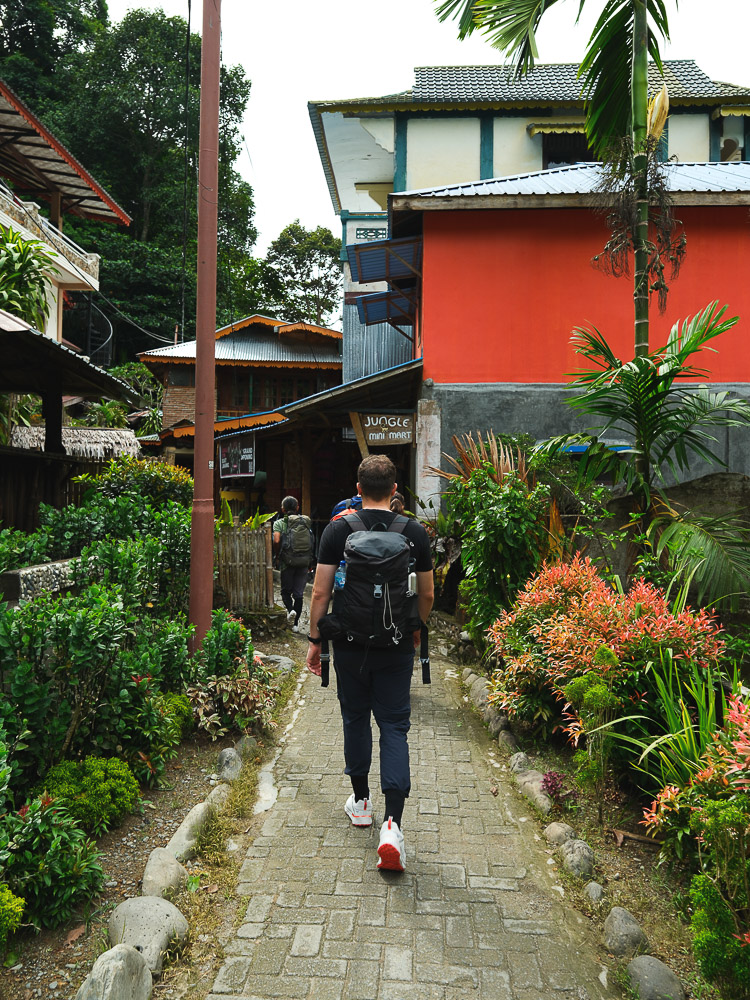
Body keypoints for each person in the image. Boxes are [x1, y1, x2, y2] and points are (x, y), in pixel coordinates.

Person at [306, 455, 434, 872]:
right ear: (395, 490)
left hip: (348, 643)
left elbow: (320, 594)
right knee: (395, 726)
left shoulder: (338, 529)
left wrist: (314, 641)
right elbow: (428, 595)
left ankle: (361, 802)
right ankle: (392, 825)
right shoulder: (414, 532)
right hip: (396, 646)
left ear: (358, 489)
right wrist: (414, 628)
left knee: (355, 719)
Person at [273, 496, 312, 631]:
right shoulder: (305, 521)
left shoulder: (279, 523)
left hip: (287, 561)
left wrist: (277, 556)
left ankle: (290, 610)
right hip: (304, 561)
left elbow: (277, 541)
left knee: (285, 591)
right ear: (297, 508)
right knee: (299, 593)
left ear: (283, 509)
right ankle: (296, 625)